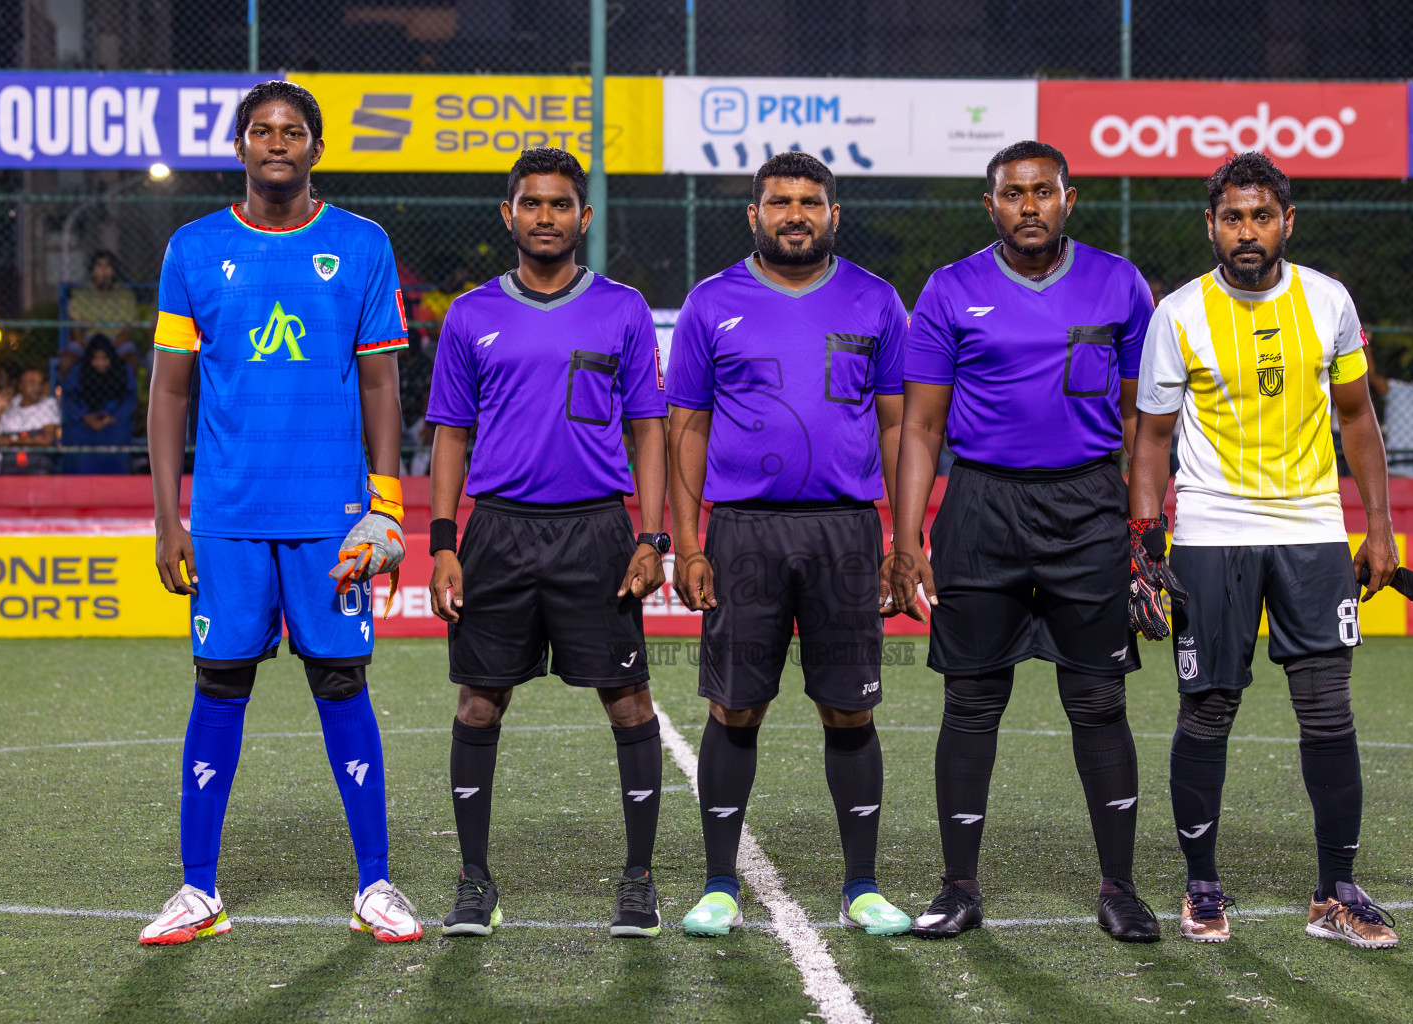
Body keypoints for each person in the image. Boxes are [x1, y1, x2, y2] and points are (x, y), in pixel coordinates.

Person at [141, 81, 421, 946]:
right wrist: (167, 517)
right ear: (239, 147)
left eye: (292, 130)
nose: (276, 142)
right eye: (260, 130)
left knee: (343, 683)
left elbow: (382, 382)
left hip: (332, 519)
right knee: (219, 684)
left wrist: (385, 505)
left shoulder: (360, 245)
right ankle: (198, 891)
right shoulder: (191, 248)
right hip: (227, 517)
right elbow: (169, 392)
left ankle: (374, 885)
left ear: (315, 148)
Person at [887, 141, 1159, 943]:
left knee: (1099, 701)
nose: (1029, 206)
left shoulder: (1119, 283)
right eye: (1014, 194)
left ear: (1068, 199)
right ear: (991, 205)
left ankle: (1119, 887)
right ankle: (959, 887)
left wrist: (1144, 531)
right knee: (971, 701)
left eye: (1044, 192)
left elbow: (1145, 422)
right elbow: (922, 428)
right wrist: (907, 538)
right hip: (982, 507)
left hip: (1087, 507)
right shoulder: (950, 289)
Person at [1129, 152, 1400, 949]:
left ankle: (1335, 892)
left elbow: (1357, 418)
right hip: (1212, 534)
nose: (1247, 231)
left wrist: (1376, 525)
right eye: (1232, 217)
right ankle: (1202, 886)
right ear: (1210, 226)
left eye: (1262, 215)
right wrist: (1146, 549)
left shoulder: (1329, 302)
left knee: (1327, 711)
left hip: (1313, 531)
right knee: (1208, 708)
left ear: (1288, 221)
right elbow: (1148, 441)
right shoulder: (1177, 313)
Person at [666, 151, 913, 938]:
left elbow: (901, 423)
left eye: (810, 202)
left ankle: (862, 887)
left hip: (846, 527)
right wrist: (687, 542)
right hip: (743, 531)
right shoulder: (711, 303)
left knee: (850, 709)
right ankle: (717, 885)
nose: (795, 214)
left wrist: (902, 540)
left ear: (833, 213)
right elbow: (686, 429)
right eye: (780, 202)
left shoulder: (876, 300)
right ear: (754, 215)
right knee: (735, 705)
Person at [425, 148, 670, 939]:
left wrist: (652, 537)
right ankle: (474, 881)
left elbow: (649, 430)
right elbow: (450, 435)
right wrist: (442, 542)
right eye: (531, 204)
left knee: (629, 700)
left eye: (560, 205)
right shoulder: (469, 315)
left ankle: (638, 880)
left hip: (598, 532)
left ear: (583, 217)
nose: (545, 217)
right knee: (478, 701)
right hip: (496, 531)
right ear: (509, 214)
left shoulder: (624, 309)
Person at [61, 336, 137, 474]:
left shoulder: (123, 370)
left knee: (119, 433)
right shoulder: (79, 370)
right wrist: (84, 417)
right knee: (74, 434)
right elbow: (70, 400)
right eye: (95, 358)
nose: (99, 363)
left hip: (114, 419)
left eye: (104, 358)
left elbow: (129, 399)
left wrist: (113, 417)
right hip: (85, 419)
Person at [63, 251, 141, 373]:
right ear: (92, 271)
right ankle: (69, 391)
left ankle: (127, 391)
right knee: (66, 361)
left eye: (108, 266)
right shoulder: (81, 294)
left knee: (131, 359)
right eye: (99, 266)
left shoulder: (125, 295)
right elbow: (76, 329)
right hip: (88, 341)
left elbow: (127, 331)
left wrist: (111, 349)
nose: (103, 271)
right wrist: (86, 346)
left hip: (115, 342)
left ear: (114, 271)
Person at [0, 365, 60, 475]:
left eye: (40, 383)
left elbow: (45, 440)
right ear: (20, 385)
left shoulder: (48, 404)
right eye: (32, 382)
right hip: (9, 466)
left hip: (38, 466)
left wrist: (11, 440)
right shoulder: (10, 406)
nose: (37, 388)